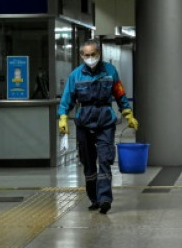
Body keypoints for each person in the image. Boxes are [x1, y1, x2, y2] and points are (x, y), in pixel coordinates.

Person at [58, 39, 139, 214]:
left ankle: (104, 199)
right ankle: (94, 198)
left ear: (99, 53)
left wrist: (128, 113)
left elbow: (119, 93)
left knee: (105, 159)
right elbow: (67, 99)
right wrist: (63, 118)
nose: (90, 58)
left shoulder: (110, 71)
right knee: (88, 162)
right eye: (86, 55)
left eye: (93, 54)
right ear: (81, 56)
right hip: (84, 122)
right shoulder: (76, 76)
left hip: (105, 122)